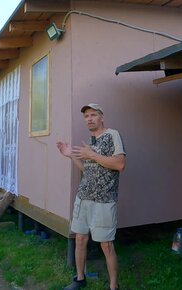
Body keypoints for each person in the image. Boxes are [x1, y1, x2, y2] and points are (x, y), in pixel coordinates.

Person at [57, 103, 126, 290]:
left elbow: (119, 164)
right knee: (79, 239)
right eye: (86, 116)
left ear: (101, 117)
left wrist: (92, 154)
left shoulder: (113, 135)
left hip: (104, 200)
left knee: (106, 245)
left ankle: (114, 286)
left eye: (93, 115)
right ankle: (80, 279)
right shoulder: (90, 141)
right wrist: (71, 155)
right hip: (83, 198)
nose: (90, 118)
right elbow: (87, 171)